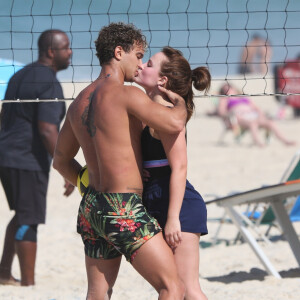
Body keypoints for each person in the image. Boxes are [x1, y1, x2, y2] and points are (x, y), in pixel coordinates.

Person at [53, 22, 186, 300]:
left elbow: (60, 161)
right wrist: (179, 101)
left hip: (91, 207)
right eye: (138, 56)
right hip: (122, 206)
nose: (140, 65)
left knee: (98, 293)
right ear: (118, 52)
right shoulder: (126, 94)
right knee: (172, 287)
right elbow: (174, 123)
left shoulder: (79, 102)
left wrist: (86, 182)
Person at [134, 47, 209, 300]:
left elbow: (179, 167)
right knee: (171, 287)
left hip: (179, 205)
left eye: (150, 64)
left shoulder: (168, 115)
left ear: (162, 80)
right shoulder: (143, 110)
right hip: (154, 198)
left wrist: (173, 218)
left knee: (188, 289)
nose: (142, 64)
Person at [0, 29, 73, 286]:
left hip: (6, 154)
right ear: (51, 52)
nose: (71, 52)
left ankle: (4, 273)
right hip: (26, 158)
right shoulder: (49, 82)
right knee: (29, 218)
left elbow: (4, 115)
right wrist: (66, 168)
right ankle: (28, 285)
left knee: (22, 214)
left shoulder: (20, 75)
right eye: (66, 47)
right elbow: (47, 129)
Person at [218, 83, 296, 147]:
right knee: (253, 123)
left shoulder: (243, 97)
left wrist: (261, 114)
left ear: (233, 88)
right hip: (239, 117)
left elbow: (255, 107)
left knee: (270, 122)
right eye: (225, 90)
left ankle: (285, 141)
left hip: (253, 114)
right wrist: (231, 114)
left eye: (229, 88)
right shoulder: (224, 99)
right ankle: (259, 143)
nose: (228, 91)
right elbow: (222, 112)